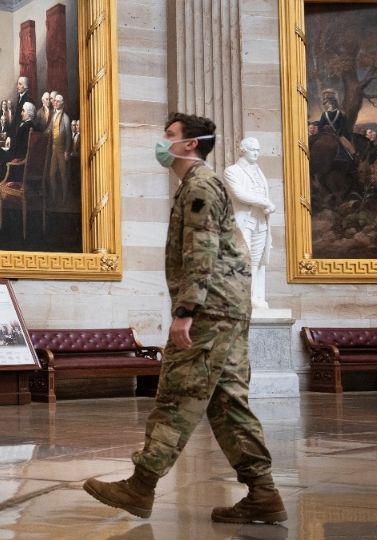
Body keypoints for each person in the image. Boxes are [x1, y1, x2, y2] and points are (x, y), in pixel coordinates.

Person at [83, 113, 287, 525]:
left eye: (170, 136)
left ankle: (140, 486)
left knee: (178, 394)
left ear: (191, 144)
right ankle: (263, 493)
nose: (163, 142)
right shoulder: (198, 185)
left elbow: (202, 249)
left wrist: (185, 311)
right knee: (228, 402)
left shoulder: (201, 186)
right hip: (225, 307)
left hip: (211, 308)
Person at [223, 137, 275, 311]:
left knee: (257, 261)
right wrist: (264, 203)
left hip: (261, 221)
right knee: (243, 259)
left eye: (258, 150)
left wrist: (266, 204)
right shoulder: (232, 171)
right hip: (245, 220)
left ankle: (257, 297)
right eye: (253, 149)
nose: (256, 153)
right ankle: (243, 298)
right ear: (243, 150)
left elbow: (263, 193)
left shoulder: (258, 171)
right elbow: (239, 194)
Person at [47, 94, 73, 201]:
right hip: (54, 149)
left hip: (62, 150)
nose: (55, 103)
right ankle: (53, 197)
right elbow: (48, 130)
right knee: (52, 174)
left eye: (58, 101)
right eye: (55, 101)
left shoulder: (66, 118)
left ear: (62, 103)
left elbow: (68, 136)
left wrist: (67, 151)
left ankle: (64, 198)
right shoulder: (53, 116)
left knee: (63, 175)